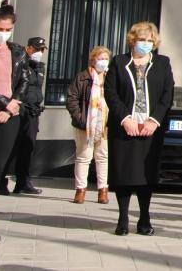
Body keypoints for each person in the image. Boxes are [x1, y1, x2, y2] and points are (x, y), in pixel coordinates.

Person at [104, 21, 174, 236]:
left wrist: (154, 120)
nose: (146, 44)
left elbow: (167, 94)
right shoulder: (119, 62)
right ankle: (123, 217)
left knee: (146, 174)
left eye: (150, 40)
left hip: (150, 128)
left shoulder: (162, 63)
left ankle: (144, 217)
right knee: (124, 173)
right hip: (125, 127)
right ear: (132, 40)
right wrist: (125, 119)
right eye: (142, 39)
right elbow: (111, 93)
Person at [0, 2, 28, 242]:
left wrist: (13, 104)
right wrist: (6, 102)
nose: (3, 33)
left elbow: (24, 81)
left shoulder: (17, 51)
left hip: (9, 117)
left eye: (8, 29)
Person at [66, 46, 112, 204]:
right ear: (93, 60)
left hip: (104, 124)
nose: (103, 62)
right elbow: (72, 99)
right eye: (100, 58)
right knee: (84, 157)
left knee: (102, 157)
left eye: (106, 59)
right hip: (85, 124)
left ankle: (103, 190)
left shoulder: (110, 78)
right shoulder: (82, 77)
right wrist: (81, 119)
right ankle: (80, 190)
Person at [4, 36, 46, 195]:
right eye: (36, 49)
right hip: (19, 109)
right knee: (11, 146)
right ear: (28, 48)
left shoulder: (40, 67)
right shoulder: (21, 62)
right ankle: (1, 182)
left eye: (41, 50)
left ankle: (23, 182)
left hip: (33, 111)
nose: (38, 52)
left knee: (28, 147)